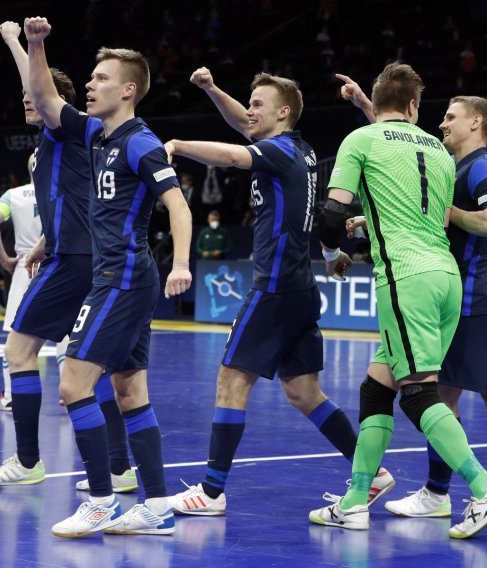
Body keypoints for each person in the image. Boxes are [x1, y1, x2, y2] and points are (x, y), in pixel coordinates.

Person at [165, 66, 392, 517]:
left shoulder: (278, 151)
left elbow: (231, 155)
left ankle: (210, 493)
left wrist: (177, 145)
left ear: (283, 112)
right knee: (305, 392)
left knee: (231, 380)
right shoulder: (297, 148)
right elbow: (241, 125)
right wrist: (211, 90)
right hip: (300, 287)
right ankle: (373, 474)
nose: (249, 111)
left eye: (259, 105)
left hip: (273, 288)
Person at [308, 65, 487, 540]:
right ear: (414, 107)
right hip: (445, 279)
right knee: (377, 388)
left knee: (419, 392)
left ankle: (483, 489)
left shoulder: (361, 141)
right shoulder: (440, 153)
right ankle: (356, 500)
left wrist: (331, 251)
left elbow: (334, 211)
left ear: (377, 102)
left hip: (404, 277)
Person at [24, 16, 193, 537]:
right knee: (129, 393)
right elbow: (48, 101)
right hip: (118, 277)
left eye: (100, 79)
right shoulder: (97, 133)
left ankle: (100, 500)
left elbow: (178, 206)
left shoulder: (141, 143)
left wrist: (183, 263)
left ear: (129, 89)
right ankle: (159, 507)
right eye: (90, 78)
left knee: (74, 384)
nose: (90, 85)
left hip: (122, 277)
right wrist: (33, 45)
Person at [0, 21, 137, 508]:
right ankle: (120, 468)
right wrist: (45, 239)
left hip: (77, 260)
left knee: (19, 352)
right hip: (75, 251)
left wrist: (19, 41)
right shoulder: (59, 143)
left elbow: (42, 91)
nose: (29, 102)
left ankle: (28, 461)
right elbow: (76, 198)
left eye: (34, 97)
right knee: (100, 370)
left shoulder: (63, 128)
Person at [0, 153, 42, 411]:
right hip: (61, 265)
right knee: (70, 337)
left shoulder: (13, 195)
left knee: (15, 341)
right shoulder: (63, 191)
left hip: (25, 268)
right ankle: (75, 394)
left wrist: (4, 259)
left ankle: (10, 396)